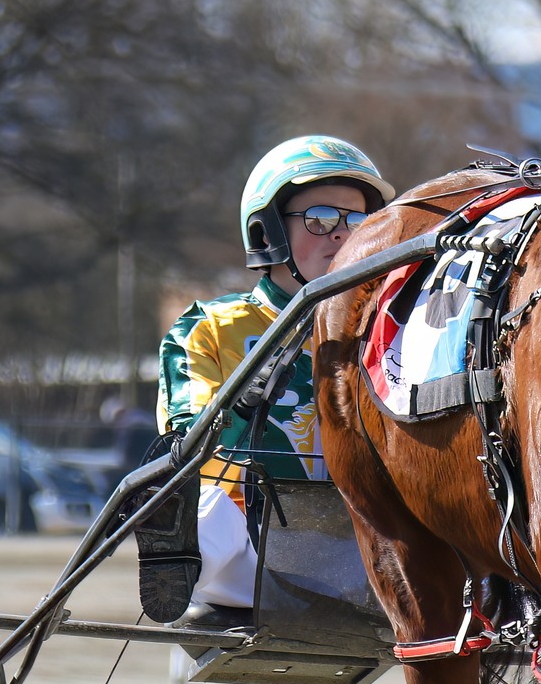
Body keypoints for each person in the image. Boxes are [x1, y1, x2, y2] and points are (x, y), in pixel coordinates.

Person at [141, 135, 394, 619]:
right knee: (205, 506)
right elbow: (190, 446)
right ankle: (173, 566)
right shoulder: (209, 328)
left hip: (364, 553)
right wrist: (240, 406)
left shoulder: (387, 335)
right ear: (267, 233)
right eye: (320, 219)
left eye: (358, 221)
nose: (342, 235)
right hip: (246, 555)